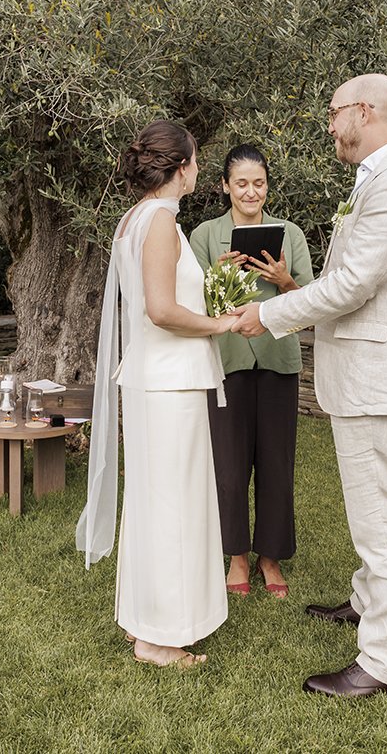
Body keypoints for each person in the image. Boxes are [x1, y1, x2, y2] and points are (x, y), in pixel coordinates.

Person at [234, 74, 387, 699]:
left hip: (378, 381)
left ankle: (383, 665)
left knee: (382, 521)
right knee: (369, 512)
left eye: (333, 113)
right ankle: (364, 602)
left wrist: (267, 314)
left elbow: (354, 284)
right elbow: (350, 281)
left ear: (363, 111)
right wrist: (297, 295)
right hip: (362, 374)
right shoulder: (378, 178)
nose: (330, 125)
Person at [77, 120, 241, 669]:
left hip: (153, 380)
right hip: (170, 383)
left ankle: (146, 619)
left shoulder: (136, 218)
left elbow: (163, 290)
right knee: (173, 506)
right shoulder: (163, 221)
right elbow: (161, 310)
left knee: (155, 502)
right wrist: (222, 326)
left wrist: (208, 278)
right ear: (181, 166)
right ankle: (161, 638)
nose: (198, 169)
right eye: (196, 160)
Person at [189, 144, 314, 599]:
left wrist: (284, 280)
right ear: (225, 186)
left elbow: (311, 305)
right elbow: (191, 306)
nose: (250, 191)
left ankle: (271, 557)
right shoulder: (204, 236)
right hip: (226, 362)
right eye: (241, 183)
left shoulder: (291, 235)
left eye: (258, 183)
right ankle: (237, 556)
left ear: (267, 186)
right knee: (230, 462)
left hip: (279, 362)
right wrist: (216, 277)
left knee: (277, 462)